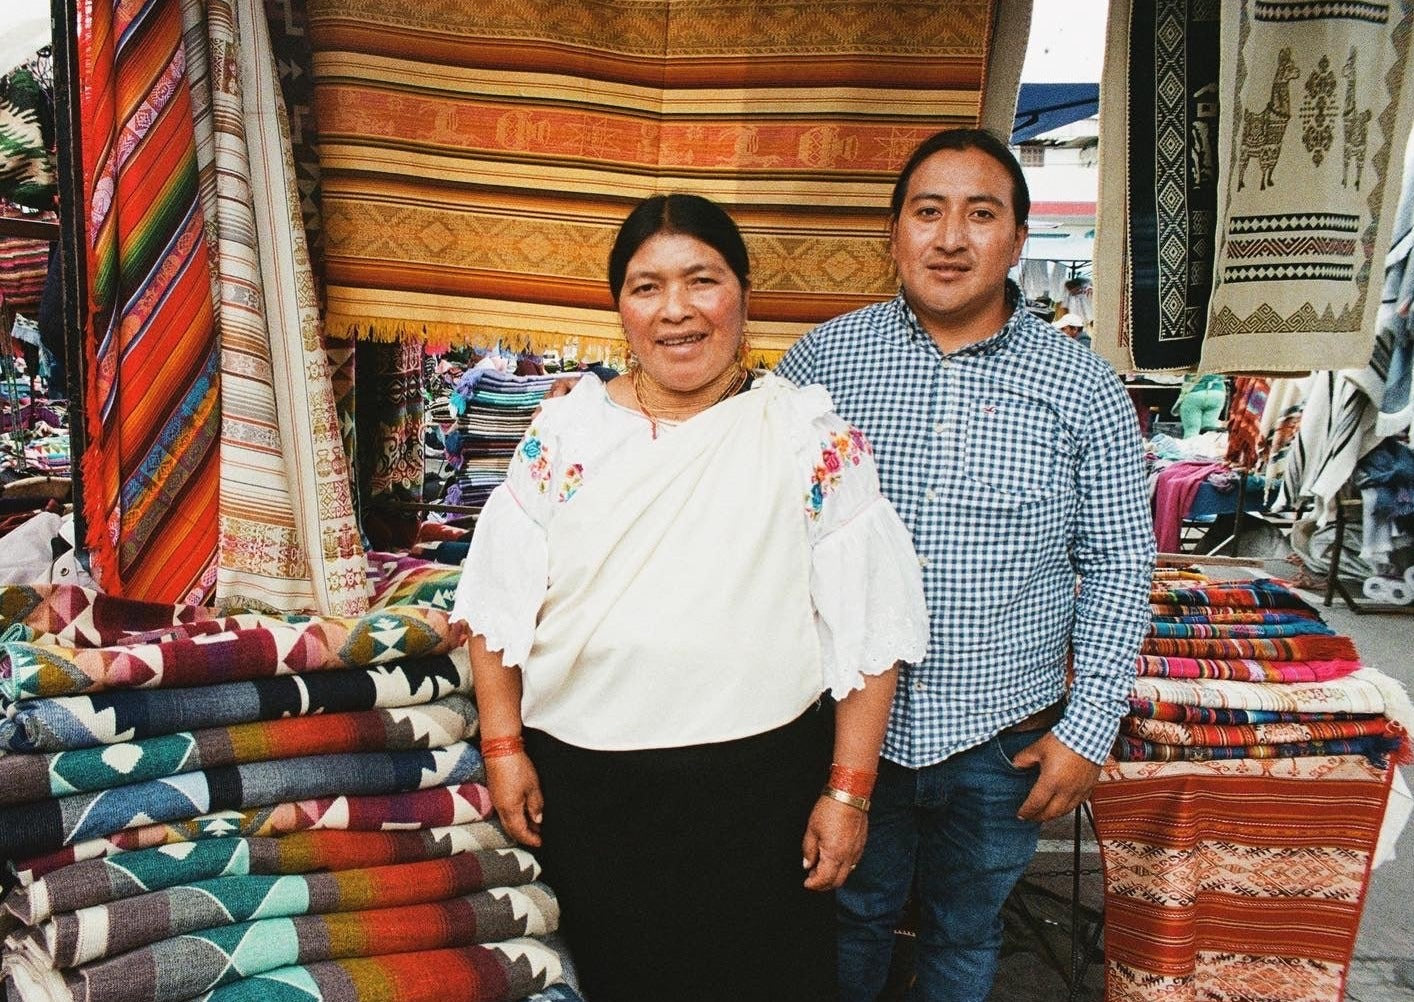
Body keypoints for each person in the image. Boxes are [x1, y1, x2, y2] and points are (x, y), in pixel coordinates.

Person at [451, 193, 928, 1002]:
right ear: (621, 309)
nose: (676, 311)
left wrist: (847, 794)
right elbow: (497, 604)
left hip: (759, 796)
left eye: (701, 281)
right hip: (590, 794)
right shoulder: (567, 431)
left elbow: (870, 632)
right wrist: (503, 749)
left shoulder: (807, 435)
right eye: (647, 287)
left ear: (743, 293)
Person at [774, 128, 1154, 1002]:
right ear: (894, 231)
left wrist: (1087, 728)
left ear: (1018, 239)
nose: (951, 239)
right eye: (928, 213)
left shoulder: (1082, 387)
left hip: (1004, 739)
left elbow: (1122, 564)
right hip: (842, 734)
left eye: (980, 215)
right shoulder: (822, 365)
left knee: (964, 931)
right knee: (847, 919)